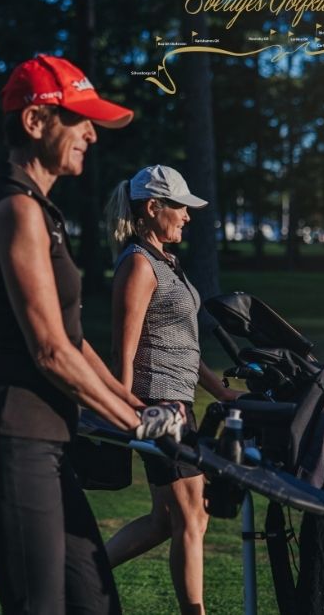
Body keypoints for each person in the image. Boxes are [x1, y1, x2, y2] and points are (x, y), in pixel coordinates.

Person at [0, 55, 183, 615]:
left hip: (44, 438)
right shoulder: (15, 210)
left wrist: (130, 402)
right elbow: (50, 351)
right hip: (9, 435)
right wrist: (136, 425)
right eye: (79, 120)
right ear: (35, 121)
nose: (91, 135)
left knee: (94, 599)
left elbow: (72, 340)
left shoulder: (41, 211)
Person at [102, 165, 242, 615]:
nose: (187, 216)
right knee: (192, 516)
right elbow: (124, 347)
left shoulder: (164, 261)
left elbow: (182, 343)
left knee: (168, 519)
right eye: (179, 207)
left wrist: (221, 392)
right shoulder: (139, 264)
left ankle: (79, 573)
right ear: (152, 207)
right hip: (158, 407)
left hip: (179, 403)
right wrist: (125, 408)